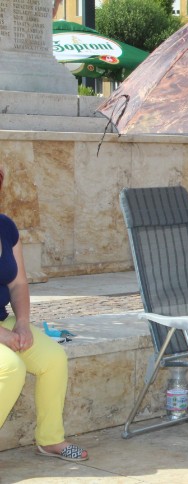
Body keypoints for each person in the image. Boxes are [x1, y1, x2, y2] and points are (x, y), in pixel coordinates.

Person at [0, 167, 89, 462]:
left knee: (53, 359)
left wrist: (23, 323)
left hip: (4, 320)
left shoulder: (5, 228)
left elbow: (18, 283)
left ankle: (50, 440)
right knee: (10, 367)